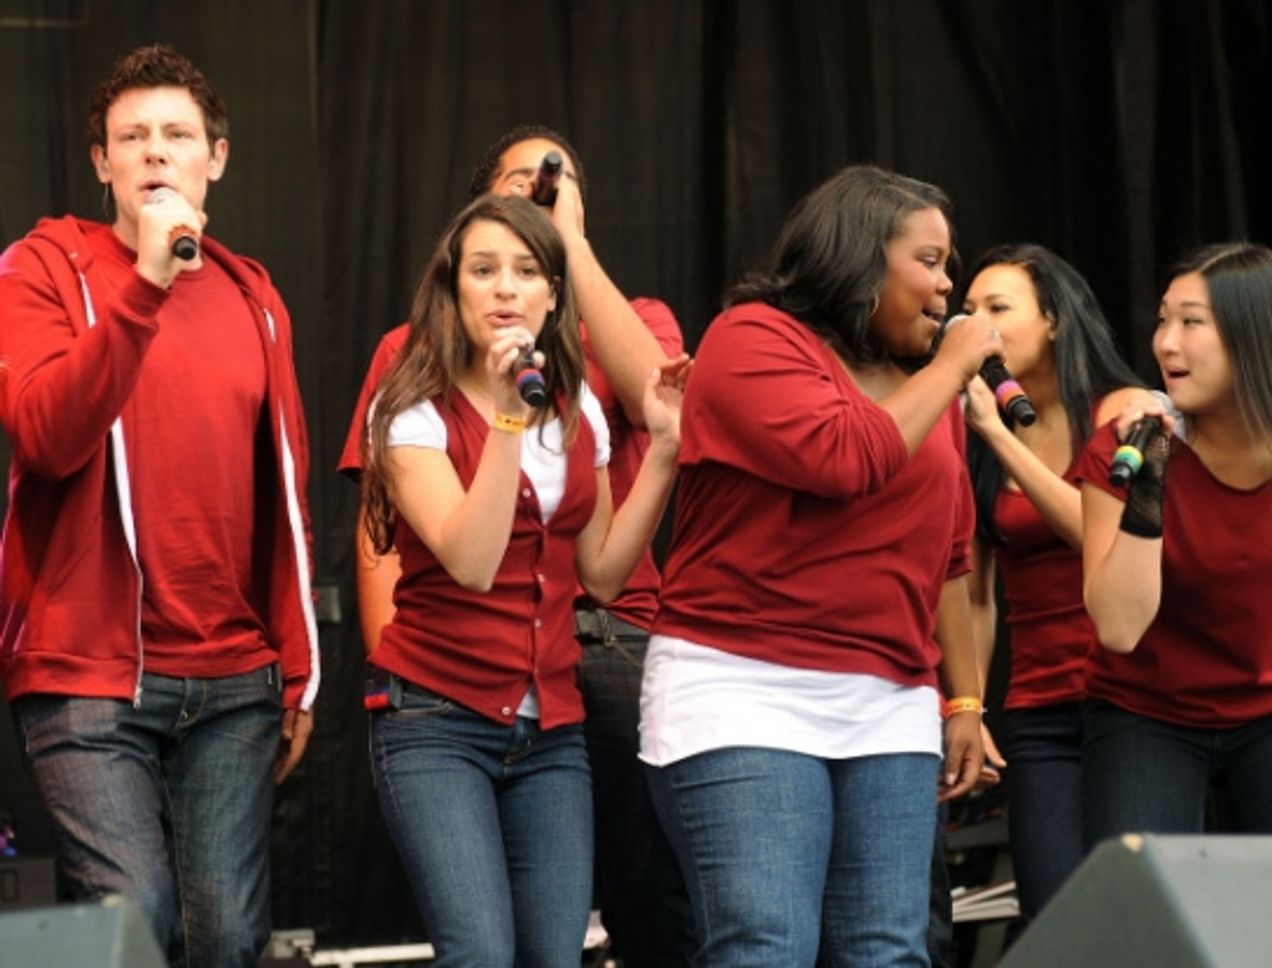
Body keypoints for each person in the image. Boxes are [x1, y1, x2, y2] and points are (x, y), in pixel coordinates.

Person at [337, 125, 693, 964]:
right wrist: (505, 417)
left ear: (555, 293)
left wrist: (666, 451)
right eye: (484, 270)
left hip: (551, 730)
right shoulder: (410, 402)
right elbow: (470, 560)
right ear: (451, 288)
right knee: (481, 954)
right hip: (436, 720)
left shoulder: (576, 408)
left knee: (553, 955)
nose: (506, 289)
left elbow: (603, 572)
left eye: (528, 271)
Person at [0, 44, 318, 968]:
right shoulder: (42, 267)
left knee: (227, 937)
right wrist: (144, 283)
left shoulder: (255, 296)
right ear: (101, 162)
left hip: (232, 679)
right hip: (89, 676)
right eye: (131, 137)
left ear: (215, 158)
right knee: (134, 920)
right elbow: (47, 436)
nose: (154, 152)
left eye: (176, 135)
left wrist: (298, 666)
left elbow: (286, 493)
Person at [640, 165, 994, 967]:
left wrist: (965, 701)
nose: (949, 285)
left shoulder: (925, 386)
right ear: (862, 256)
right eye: (929, 261)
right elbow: (843, 457)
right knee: (768, 946)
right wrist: (952, 369)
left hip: (891, 700)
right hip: (743, 686)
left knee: (889, 952)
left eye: (949, 264)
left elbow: (949, 559)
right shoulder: (751, 338)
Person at [1079, 242, 1272, 845]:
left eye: (1191, 322)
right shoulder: (1125, 452)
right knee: (1140, 896)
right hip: (1145, 709)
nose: (1165, 343)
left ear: (1258, 338)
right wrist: (1149, 487)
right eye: (1163, 320)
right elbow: (1119, 628)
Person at [959, 244, 1142, 919]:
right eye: (968, 309)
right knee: (1054, 912)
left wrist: (1002, 438)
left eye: (998, 307)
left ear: (1055, 321)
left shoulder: (1120, 410)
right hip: (1039, 710)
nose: (976, 324)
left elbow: (1100, 531)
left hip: (1133, 700)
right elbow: (975, 596)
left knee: (1135, 916)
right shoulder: (974, 438)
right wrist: (969, 706)